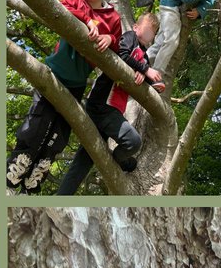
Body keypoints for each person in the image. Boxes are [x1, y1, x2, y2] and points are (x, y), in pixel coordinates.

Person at [6, 0, 122, 194]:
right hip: (55, 74)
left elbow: (117, 46)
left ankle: (35, 179)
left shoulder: (114, 18)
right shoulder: (77, 1)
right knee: (37, 125)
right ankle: (14, 173)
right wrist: (87, 20)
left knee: (58, 134)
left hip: (77, 83)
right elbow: (59, 8)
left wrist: (110, 38)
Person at [57, 14, 167, 194]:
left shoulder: (144, 57)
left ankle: (62, 196)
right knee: (133, 142)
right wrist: (144, 69)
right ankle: (121, 160)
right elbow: (122, 55)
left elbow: (142, 80)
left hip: (112, 110)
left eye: (152, 33)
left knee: (83, 162)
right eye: (146, 30)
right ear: (135, 27)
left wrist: (147, 77)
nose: (149, 36)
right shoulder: (130, 37)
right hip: (102, 105)